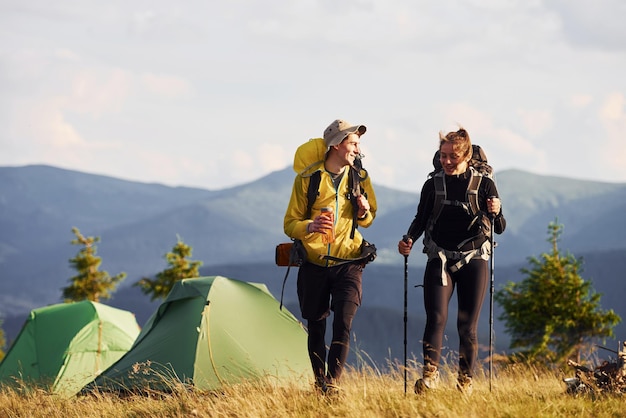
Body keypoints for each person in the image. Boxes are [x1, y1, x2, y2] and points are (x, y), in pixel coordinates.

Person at [397, 127, 506, 395]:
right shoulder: (432, 185)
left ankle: (465, 383)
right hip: (440, 257)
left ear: (467, 156)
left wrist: (497, 211)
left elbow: (499, 227)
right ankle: (430, 377)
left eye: (453, 157)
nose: (446, 161)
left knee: (467, 326)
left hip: (474, 258)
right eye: (443, 155)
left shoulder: (484, 184)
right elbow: (421, 219)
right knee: (436, 318)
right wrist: (408, 239)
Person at [284, 119, 377, 394]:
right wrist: (310, 226)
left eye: (358, 144)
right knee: (316, 325)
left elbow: (369, 218)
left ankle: (332, 385)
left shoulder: (360, 177)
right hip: (314, 264)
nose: (358, 149)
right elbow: (290, 223)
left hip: (349, 262)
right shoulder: (308, 179)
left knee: (343, 321)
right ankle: (319, 381)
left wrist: (363, 212)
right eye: (353, 143)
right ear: (336, 145)